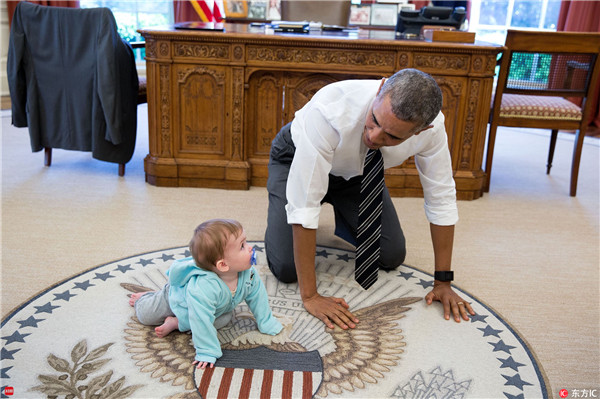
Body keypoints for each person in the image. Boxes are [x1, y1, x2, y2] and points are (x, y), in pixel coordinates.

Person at [265, 68, 475, 331]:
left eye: (392, 136)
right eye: (375, 120)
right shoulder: (330, 109)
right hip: (294, 157)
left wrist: (443, 282)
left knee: (390, 255)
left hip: (357, 174)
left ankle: (343, 210)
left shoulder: (433, 131)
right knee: (286, 268)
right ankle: (280, 204)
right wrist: (311, 297)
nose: (374, 137)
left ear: (423, 130)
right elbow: (304, 206)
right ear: (381, 89)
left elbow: (441, 197)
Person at [129, 219, 283, 369]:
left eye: (246, 242)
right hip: (175, 299)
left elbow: (258, 296)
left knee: (225, 319)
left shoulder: (249, 274)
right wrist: (207, 350)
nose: (250, 248)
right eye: (242, 246)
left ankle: (176, 323)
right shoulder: (204, 287)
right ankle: (147, 297)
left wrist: (266, 321)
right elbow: (200, 318)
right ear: (223, 265)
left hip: (214, 309)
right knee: (145, 315)